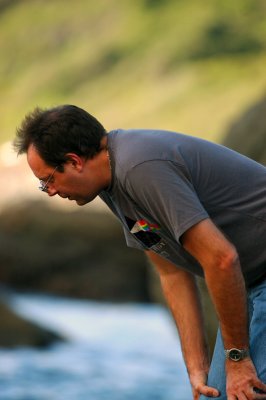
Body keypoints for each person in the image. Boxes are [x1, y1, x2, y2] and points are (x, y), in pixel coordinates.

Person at [14, 104, 266, 400]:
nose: (50, 190)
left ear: (74, 161)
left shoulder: (139, 169)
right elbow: (171, 270)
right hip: (249, 283)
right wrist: (196, 366)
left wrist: (237, 360)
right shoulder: (112, 186)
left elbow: (221, 258)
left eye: (49, 180)